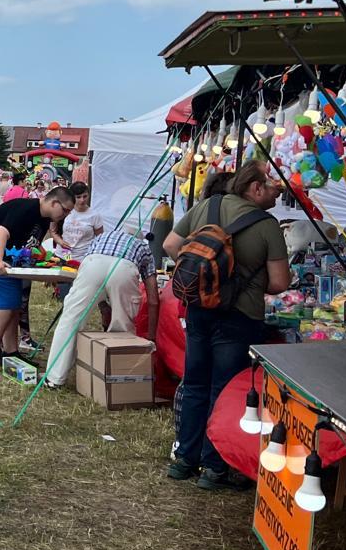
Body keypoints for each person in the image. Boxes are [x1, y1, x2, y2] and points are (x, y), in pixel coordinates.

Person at [161, 160, 289, 490]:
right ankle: (214, 467)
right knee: (224, 391)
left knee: (195, 383)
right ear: (256, 188)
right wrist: (243, 280)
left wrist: (205, 276)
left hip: (199, 310)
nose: (277, 193)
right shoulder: (268, 225)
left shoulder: (208, 205)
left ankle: (185, 459)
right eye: (273, 187)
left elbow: (171, 245)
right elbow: (279, 282)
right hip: (240, 316)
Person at [42, 228, 160, 390]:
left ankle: (54, 378)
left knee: (70, 320)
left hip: (93, 262)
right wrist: (152, 336)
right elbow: (153, 299)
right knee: (123, 326)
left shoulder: (103, 237)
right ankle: (120, 381)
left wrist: (104, 307)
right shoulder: (143, 247)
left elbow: (97, 281)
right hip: (125, 268)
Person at [0, 186, 75, 365]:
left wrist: (51, 263)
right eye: (65, 210)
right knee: (6, 301)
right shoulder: (25, 209)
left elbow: (32, 246)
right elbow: (1, 233)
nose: (65, 215)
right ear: (54, 202)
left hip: (6, 259)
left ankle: (11, 351)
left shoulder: (44, 219)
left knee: (14, 303)